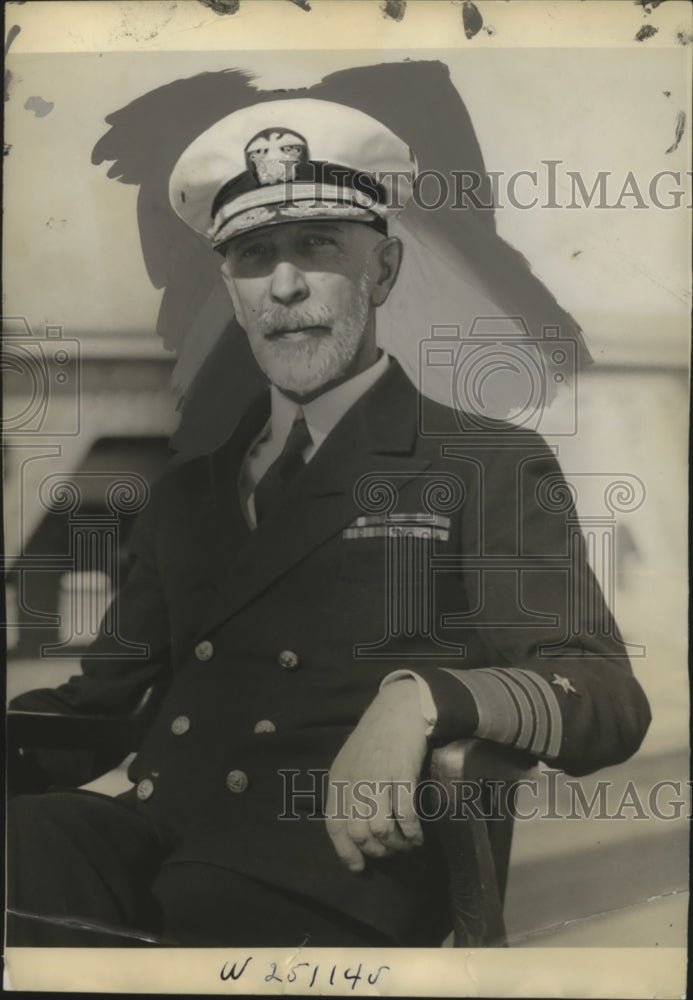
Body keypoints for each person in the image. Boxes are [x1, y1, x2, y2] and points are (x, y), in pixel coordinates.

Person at [7, 98, 651, 948]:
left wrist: (420, 700)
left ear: (381, 271)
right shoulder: (189, 491)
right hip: (156, 832)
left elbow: (604, 695)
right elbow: (102, 706)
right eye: (251, 256)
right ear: (229, 291)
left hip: (331, 872)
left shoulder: (480, 460)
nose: (283, 286)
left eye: (316, 248)